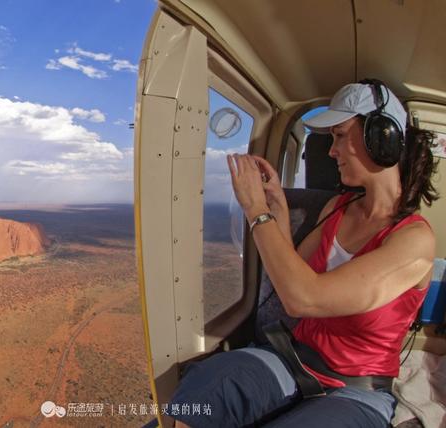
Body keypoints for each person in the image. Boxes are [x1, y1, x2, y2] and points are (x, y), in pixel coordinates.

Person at [170, 81, 439, 427]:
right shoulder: (337, 208)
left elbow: (304, 299)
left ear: (381, 137)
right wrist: (278, 211)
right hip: (291, 359)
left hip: (357, 390)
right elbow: (292, 272)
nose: (332, 151)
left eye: (340, 135)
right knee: (199, 397)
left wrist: (256, 211)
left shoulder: (414, 240)